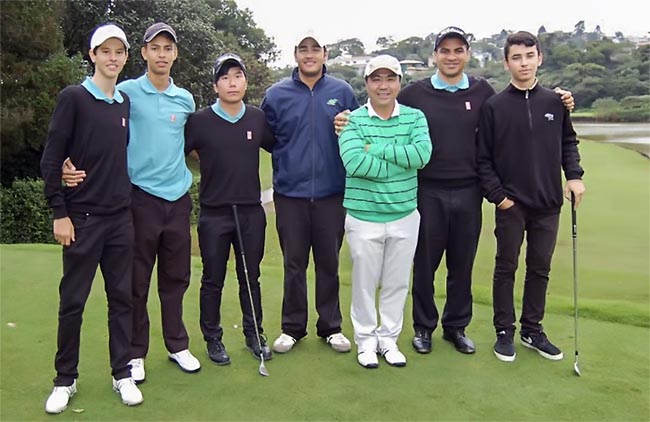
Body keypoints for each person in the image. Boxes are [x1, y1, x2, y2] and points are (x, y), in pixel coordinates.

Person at [335, 26, 575, 356]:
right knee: (425, 263)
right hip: (427, 190)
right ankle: (423, 327)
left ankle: (456, 327)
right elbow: (382, 102)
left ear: (467, 54)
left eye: (458, 50)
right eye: (444, 51)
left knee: (462, 263)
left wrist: (560, 98)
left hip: (469, 188)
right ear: (435, 55)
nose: (451, 56)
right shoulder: (415, 94)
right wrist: (348, 119)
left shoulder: (482, 91)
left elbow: (514, 105)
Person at [62, 22, 201, 382]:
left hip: (177, 197)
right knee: (135, 281)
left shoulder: (185, 99)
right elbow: (98, 136)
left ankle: (177, 344)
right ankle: (135, 352)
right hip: (138, 198)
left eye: (168, 48)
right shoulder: (124, 93)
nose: (162, 54)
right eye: (155, 48)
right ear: (142, 53)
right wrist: (68, 164)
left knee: (176, 277)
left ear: (175, 54)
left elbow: (188, 144)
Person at [41, 23, 143, 413]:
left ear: (124, 57)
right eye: (105, 51)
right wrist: (59, 212)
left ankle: (122, 373)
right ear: (92, 55)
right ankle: (65, 379)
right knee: (73, 302)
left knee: (122, 300)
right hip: (82, 218)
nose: (112, 58)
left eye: (119, 52)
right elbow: (52, 157)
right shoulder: (74, 98)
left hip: (121, 218)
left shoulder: (123, 103)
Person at [476, 31, 585, 363]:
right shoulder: (494, 106)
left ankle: (532, 330)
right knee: (505, 267)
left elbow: (569, 142)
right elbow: (483, 159)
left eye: (529, 56)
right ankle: (504, 331)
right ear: (506, 62)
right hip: (511, 205)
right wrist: (500, 198)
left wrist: (575, 177)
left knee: (540, 268)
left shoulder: (555, 101)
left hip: (548, 203)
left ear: (539, 58)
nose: (523, 63)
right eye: (516, 57)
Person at [260, 32, 359, 354]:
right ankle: (292, 327)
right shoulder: (277, 95)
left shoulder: (342, 91)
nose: (309, 54)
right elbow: (266, 138)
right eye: (303, 49)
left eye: (315, 49)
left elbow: (357, 130)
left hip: (332, 193)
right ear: (295, 55)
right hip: (290, 194)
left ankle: (330, 327)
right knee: (294, 263)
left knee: (328, 263)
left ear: (325, 54)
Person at [338, 55, 432, 368]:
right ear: (366, 83)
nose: (383, 85)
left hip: (405, 215)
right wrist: (400, 163)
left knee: (397, 283)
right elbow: (354, 163)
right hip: (364, 217)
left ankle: (388, 340)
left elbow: (422, 155)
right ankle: (365, 342)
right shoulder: (352, 120)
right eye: (376, 79)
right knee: (364, 284)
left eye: (389, 79)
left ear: (399, 82)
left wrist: (374, 149)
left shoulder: (415, 118)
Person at [184, 53, 275, 364]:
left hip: (250, 211)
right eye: (225, 77)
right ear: (215, 85)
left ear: (245, 82)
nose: (232, 82)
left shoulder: (256, 118)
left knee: (250, 277)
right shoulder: (199, 121)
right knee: (212, 278)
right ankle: (213, 338)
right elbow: (179, 151)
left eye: (237, 76)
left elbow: (281, 145)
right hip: (214, 213)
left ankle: (254, 334)